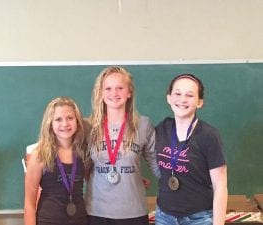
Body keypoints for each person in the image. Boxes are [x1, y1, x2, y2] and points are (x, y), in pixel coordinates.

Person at [85, 66, 160, 225]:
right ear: (101, 93)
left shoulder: (143, 124)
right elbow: (82, 166)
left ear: (129, 92)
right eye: (108, 88)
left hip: (134, 212)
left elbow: (156, 163)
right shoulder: (88, 127)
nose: (114, 93)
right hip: (97, 211)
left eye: (120, 88)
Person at [155, 74, 228, 225]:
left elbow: (220, 187)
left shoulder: (209, 135)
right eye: (177, 93)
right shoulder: (161, 128)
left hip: (199, 218)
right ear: (169, 98)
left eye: (189, 95)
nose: (182, 100)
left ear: (199, 102)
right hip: (164, 216)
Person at [24, 96, 88, 225]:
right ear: (50, 123)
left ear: (77, 121)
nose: (65, 124)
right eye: (58, 119)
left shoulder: (84, 152)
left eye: (70, 118)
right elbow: (29, 203)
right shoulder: (39, 155)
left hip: (80, 220)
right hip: (48, 220)